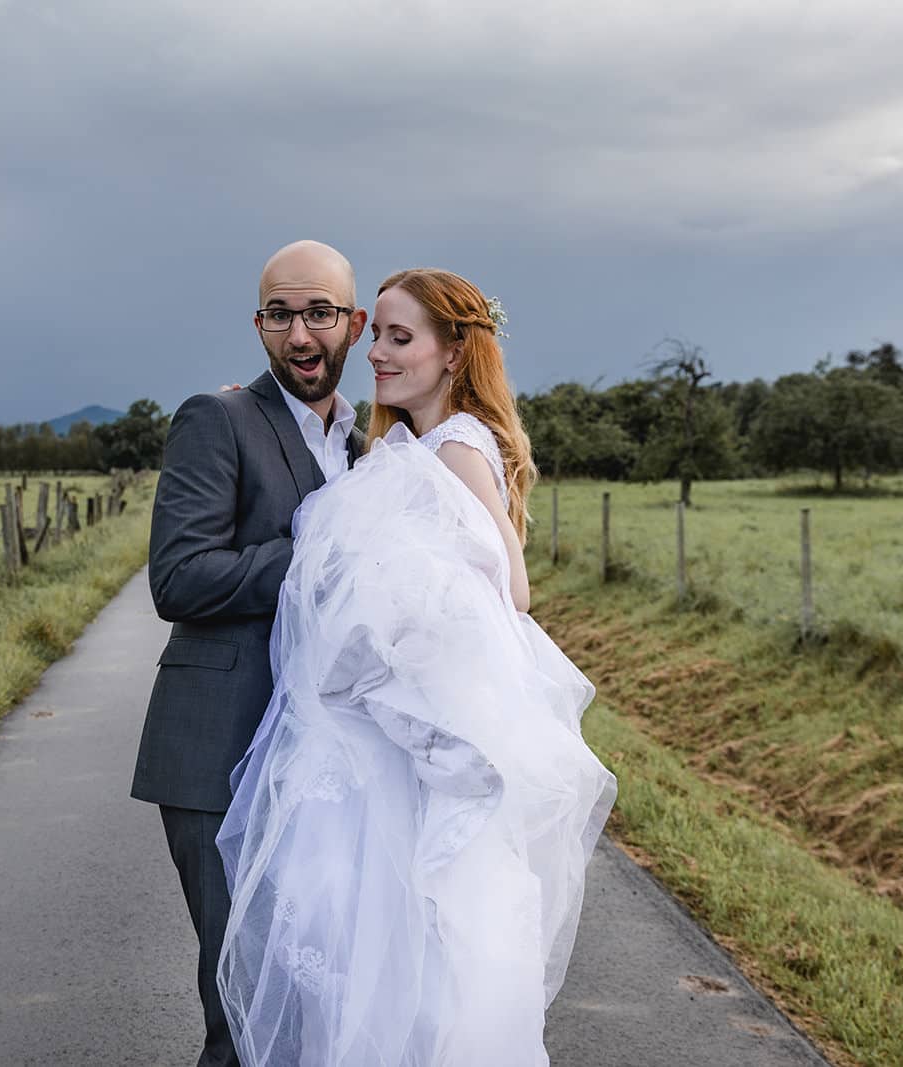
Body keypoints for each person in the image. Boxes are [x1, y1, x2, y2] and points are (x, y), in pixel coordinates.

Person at [215, 269, 617, 1065]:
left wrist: (394, 604)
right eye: (377, 338)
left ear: (453, 353)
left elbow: (512, 588)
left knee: (426, 957)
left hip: (422, 719)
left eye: (401, 339)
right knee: (378, 948)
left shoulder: (460, 447)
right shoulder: (398, 448)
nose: (379, 355)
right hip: (375, 733)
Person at [131, 240, 368, 1067]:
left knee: (312, 1004)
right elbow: (180, 578)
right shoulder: (218, 417)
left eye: (318, 313)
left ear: (355, 323)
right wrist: (319, 548)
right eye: (280, 314)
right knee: (244, 1010)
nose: (299, 334)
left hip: (323, 766)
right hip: (219, 755)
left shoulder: (367, 445)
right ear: (258, 323)